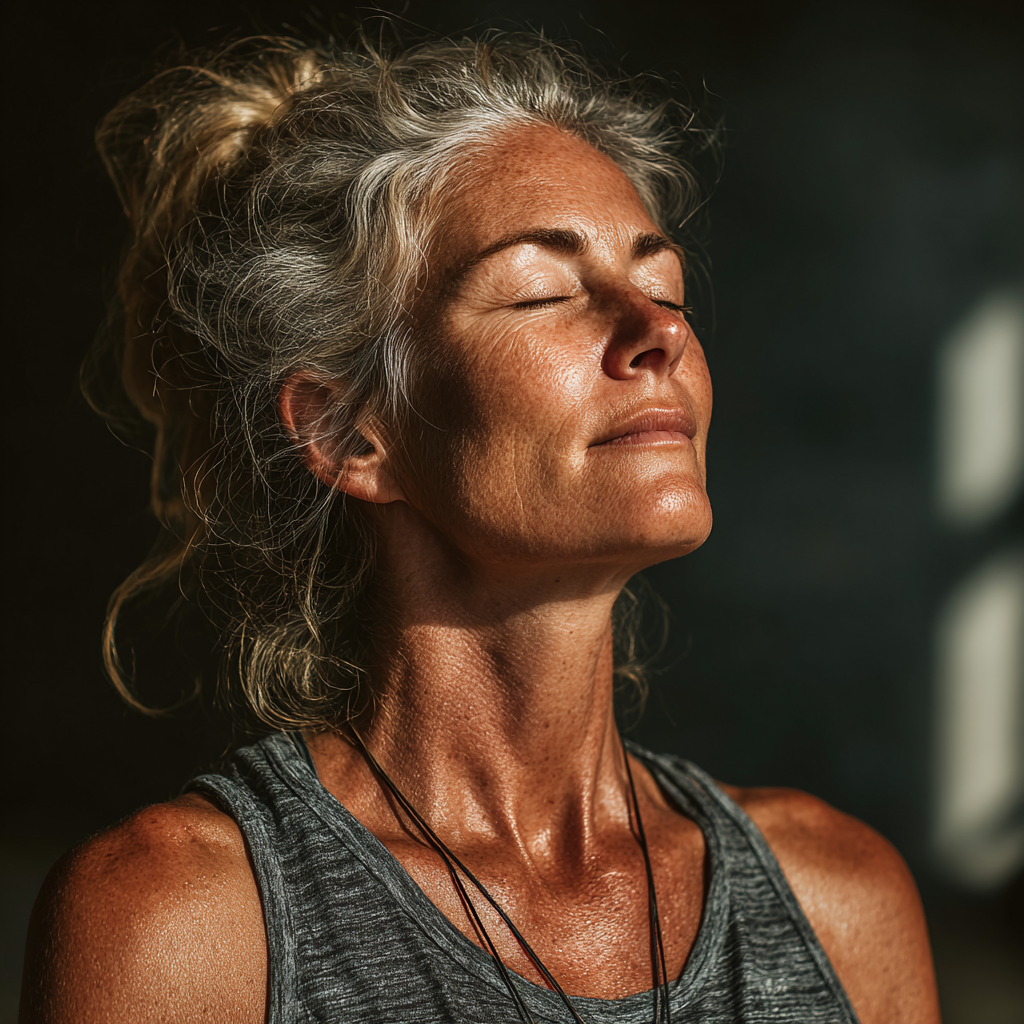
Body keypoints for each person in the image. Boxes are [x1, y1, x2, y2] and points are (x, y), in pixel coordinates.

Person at [21, 31, 940, 1024]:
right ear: (346, 432)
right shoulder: (185, 922)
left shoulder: (840, 900)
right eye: (544, 291)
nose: (660, 330)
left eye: (664, 288)